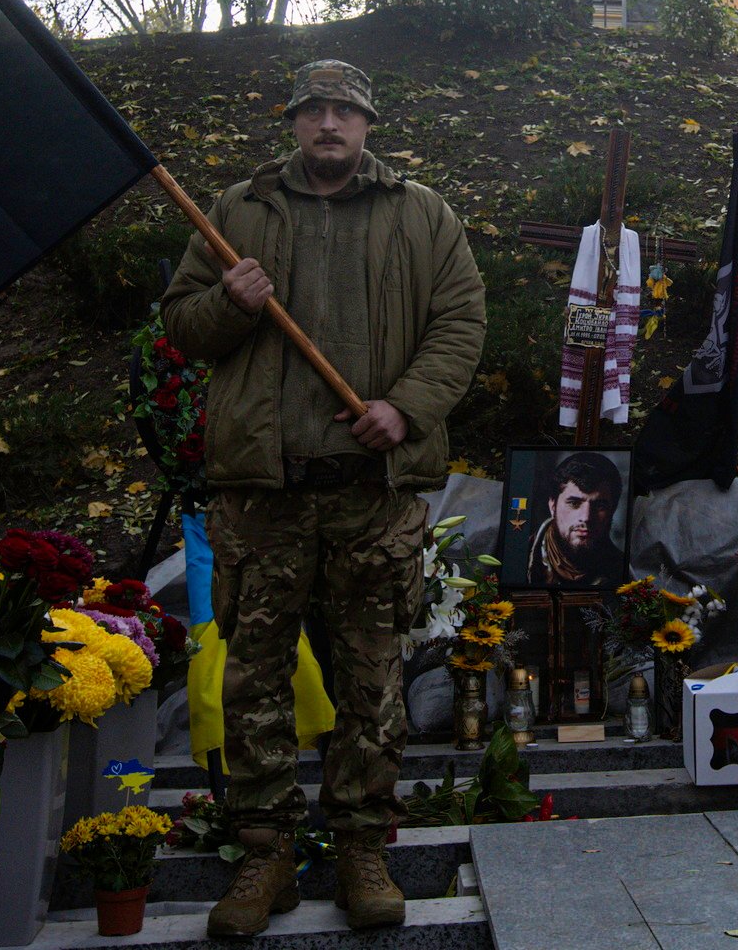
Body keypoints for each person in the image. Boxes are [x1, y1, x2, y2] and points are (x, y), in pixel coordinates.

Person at [161, 60, 486, 938]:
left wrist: (406, 407)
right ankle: (264, 854)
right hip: (263, 494)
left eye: (345, 110)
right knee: (255, 678)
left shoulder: (423, 215)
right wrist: (229, 304)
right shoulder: (238, 212)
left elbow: (461, 324)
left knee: (373, 680)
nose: (330, 124)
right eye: (315, 111)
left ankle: (360, 847)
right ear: (295, 122)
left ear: (369, 122)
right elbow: (182, 327)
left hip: (372, 496)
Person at [520, 451, 624, 588]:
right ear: (553, 505)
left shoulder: (621, 571)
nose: (586, 517)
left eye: (599, 506)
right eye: (574, 503)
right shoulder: (519, 557)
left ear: (613, 509)